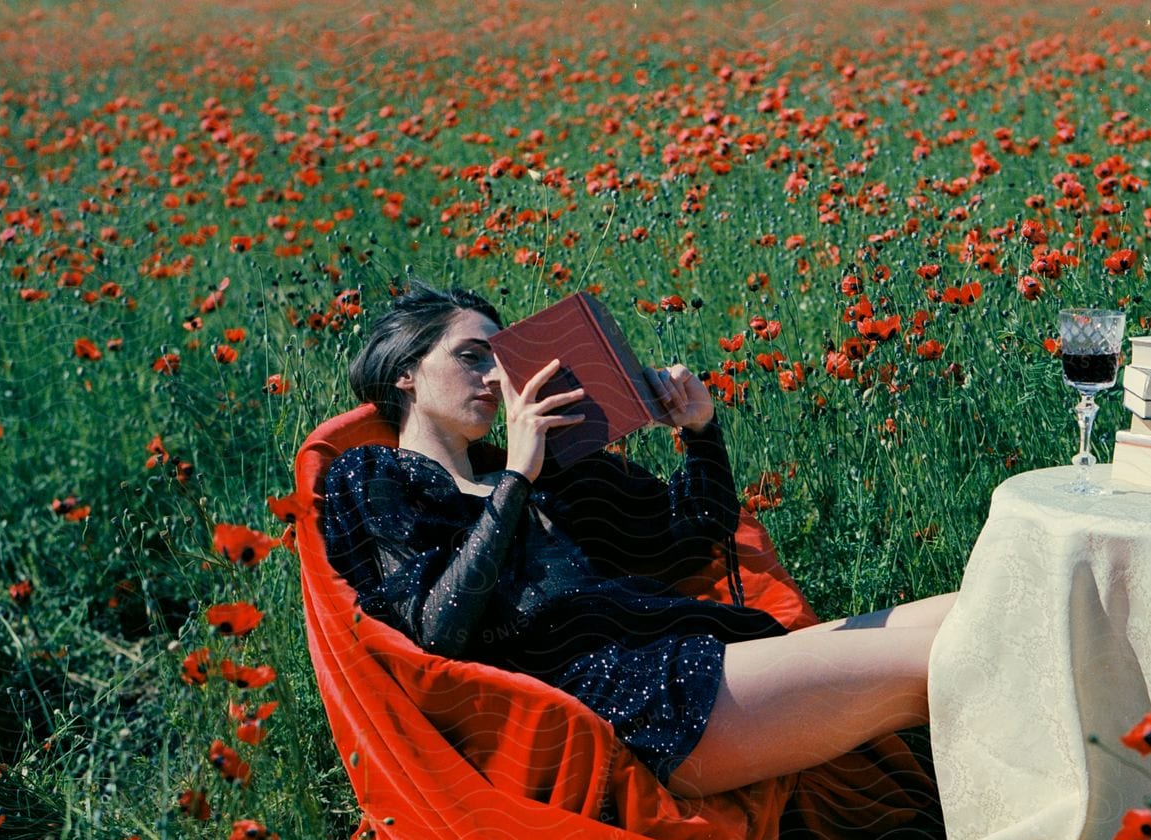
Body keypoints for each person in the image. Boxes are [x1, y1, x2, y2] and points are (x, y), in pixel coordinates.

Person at [322, 278, 959, 799]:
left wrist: (699, 431)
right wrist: (518, 473)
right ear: (405, 373)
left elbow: (693, 541)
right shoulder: (374, 474)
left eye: (500, 360)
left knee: (971, 611)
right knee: (949, 657)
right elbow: (435, 631)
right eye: (470, 356)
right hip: (618, 696)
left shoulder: (552, 469)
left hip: (678, 653)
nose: (494, 377)